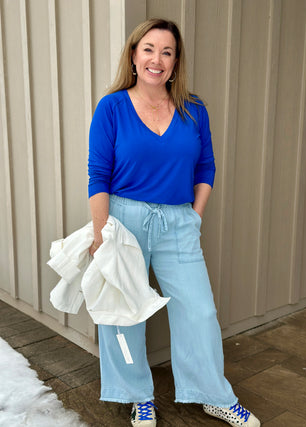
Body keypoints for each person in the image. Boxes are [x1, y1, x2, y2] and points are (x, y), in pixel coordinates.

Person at [88, 18, 260, 427]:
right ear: (134, 55)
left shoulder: (193, 109)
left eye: (167, 52)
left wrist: (194, 217)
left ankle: (213, 394)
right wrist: (101, 235)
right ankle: (136, 395)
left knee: (198, 310)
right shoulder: (112, 107)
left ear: (175, 61)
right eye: (149, 49)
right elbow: (99, 175)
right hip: (123, 218)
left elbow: (206, 167)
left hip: (179, 221)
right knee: (123, 313)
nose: (157, 59)